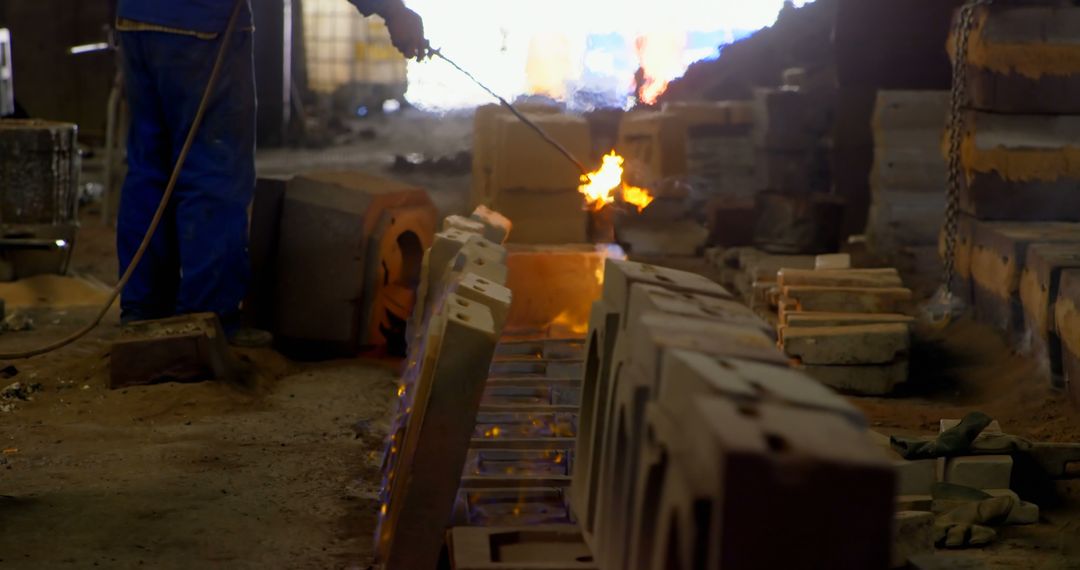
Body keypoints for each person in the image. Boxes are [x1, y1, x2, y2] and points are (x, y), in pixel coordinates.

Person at [114, 0, 427, 341]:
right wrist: (393, 11)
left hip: (136, 21)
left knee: (150, 169)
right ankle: (206, 322)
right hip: (202, 28)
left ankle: (143, 313)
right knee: (213, 171)